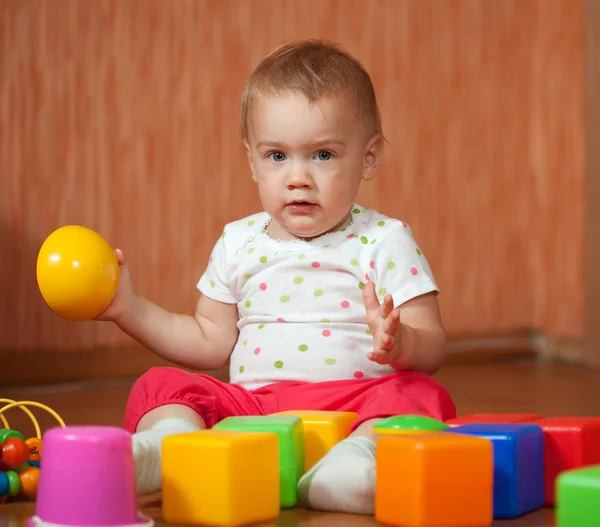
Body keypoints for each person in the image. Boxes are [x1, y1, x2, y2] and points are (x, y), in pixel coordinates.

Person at [98, 38, 456, 515]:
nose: (298, 177)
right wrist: (130, 310)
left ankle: (354, 466)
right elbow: (209, 340)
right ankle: (172, 447)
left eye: (323, 155)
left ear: (368, 158)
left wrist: (402, 343)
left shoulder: (386, 239)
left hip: (355, 405)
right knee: (160, 385)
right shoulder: (238, 242)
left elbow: (433, 343)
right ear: (252, 160)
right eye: (277, 156)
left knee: (421, 394)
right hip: (254, 410)